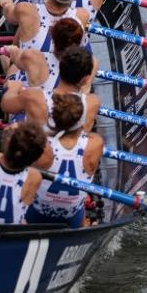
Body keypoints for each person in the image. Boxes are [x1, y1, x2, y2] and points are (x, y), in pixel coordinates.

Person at [26, 91, 103, 227]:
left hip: (35, 215)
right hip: (72, 218)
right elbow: (93, 104)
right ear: (81, 120)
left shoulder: (41, 143)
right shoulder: (95, 143)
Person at [2, 43, 100, 132]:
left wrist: (14, 88)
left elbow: (5, 105)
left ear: (60, 66)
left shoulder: (33, 96)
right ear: (86, 79)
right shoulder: (92, 104)